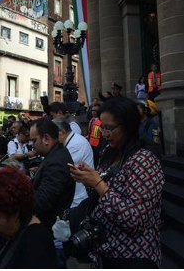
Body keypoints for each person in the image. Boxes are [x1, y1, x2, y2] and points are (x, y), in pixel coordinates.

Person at [68, 96, 164, 268]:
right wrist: (88, 178)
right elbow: (100, 197)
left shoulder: (144, 160)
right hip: (104, 254)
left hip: (132, 257)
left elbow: (134, 220)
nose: (105, 134)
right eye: (102, 128)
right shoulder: (109, 152)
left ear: (127, 125)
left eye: (110, 128)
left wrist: (98, 184)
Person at [29, 117, 75, 229]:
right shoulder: (54, 155)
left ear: (46, 139)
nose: (32, 145)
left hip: (48, 228)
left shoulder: (56, 162)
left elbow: (42, 202)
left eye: (34, 140)